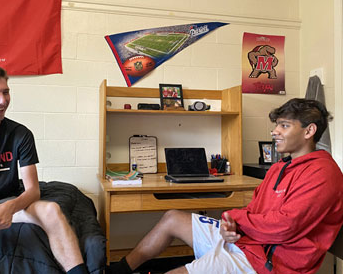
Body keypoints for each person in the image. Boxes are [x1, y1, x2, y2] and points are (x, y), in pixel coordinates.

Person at [108, 98, 343, 274]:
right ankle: (118, 271)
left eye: (284, 126)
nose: (275, 132)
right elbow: (255, 210)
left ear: (309, 131)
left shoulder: (322, 173)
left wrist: (235, 219)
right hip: (248, 243)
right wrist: (231, 224)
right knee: (172, 218)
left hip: (268, 263)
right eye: (276, 126)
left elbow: (285, 226)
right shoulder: (279, 167)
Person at [0, 64, 88, 274]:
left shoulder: (21, 134)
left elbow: (33, 191)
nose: (3, 101)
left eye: (6, 92)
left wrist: (10, 207)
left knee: (51, 210)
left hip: (6, 202)